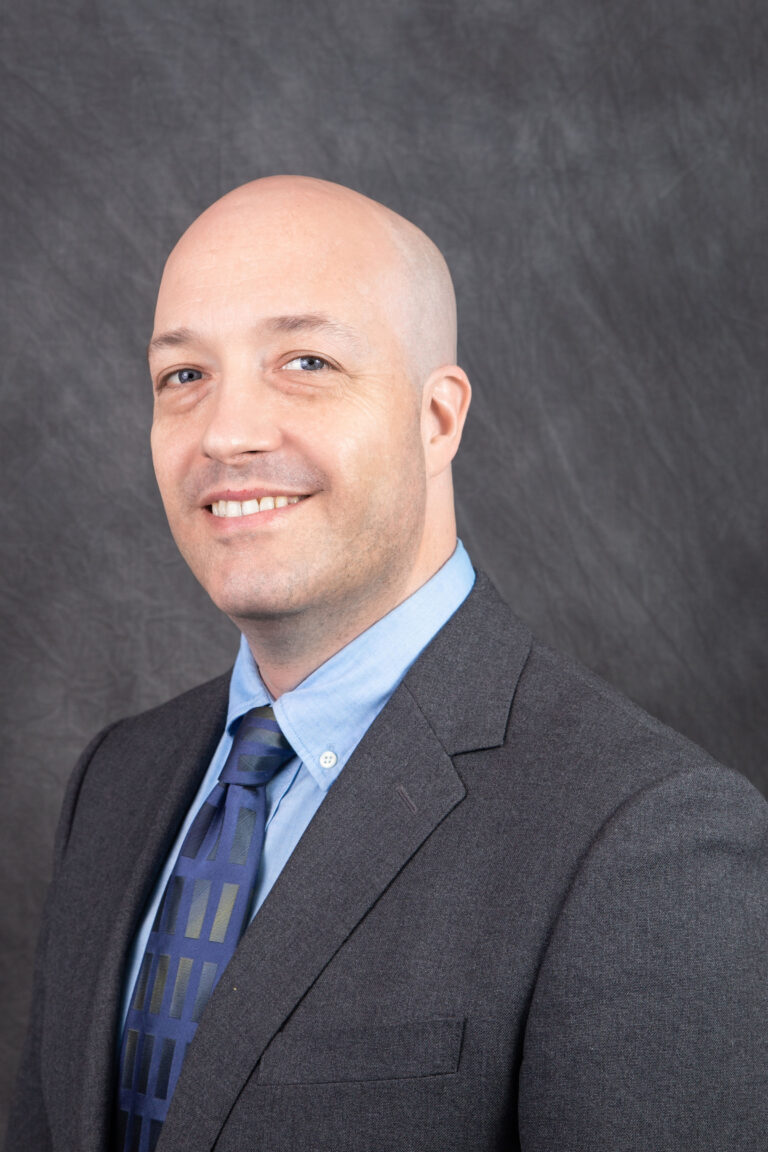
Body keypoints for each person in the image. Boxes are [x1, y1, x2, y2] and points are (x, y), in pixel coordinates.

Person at [6, 176, 768, 1152]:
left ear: (438, 418)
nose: (227, 433)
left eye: (306, 360)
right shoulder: (116, 781)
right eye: (183, 376)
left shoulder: (652, 846)